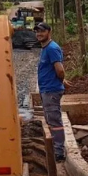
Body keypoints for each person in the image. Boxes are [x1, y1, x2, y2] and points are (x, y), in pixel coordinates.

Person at [35, 22, 66, 161]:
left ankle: (59, 153)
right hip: (47, 89)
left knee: (55, 121)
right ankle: (56, 148)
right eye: (37, 32)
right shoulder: (45, 48)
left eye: (42, 31)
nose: (39, 34)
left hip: (51, 91)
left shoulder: (52, 48)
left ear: (49, 32)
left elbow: (60, 70)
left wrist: (60, 80)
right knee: (51, 120)